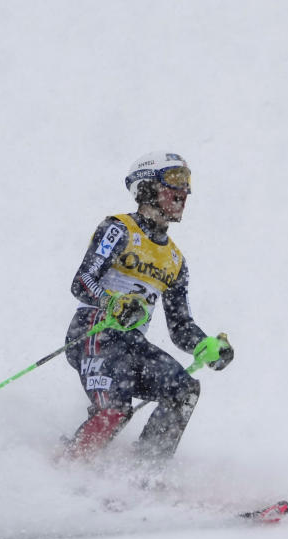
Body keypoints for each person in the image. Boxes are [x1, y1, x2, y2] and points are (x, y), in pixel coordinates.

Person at [61, 151, 233, 461]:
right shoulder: (119, 229)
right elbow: (83, 281)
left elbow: (180, 327)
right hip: (95, 334)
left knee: (184, 391)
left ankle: (143, 477)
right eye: (175, 181)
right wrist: (112, 302)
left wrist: (205, 346)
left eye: (188, 183)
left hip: (132, 345)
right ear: (147, 187)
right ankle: (69, 467)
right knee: (116, 408)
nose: (184, 193)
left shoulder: (176, 261)